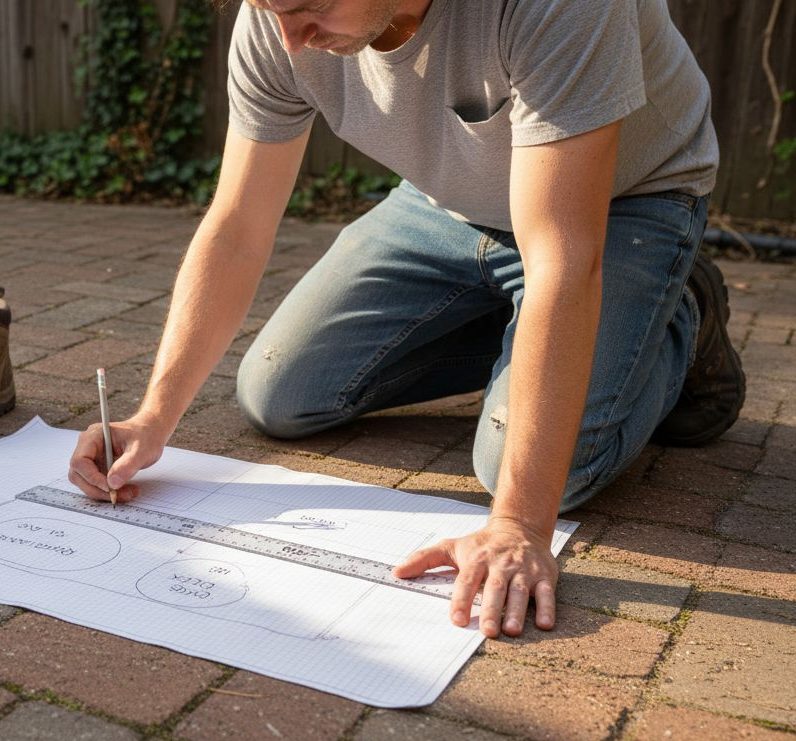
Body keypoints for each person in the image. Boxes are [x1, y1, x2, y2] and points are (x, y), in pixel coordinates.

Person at [67, 0, 745, 640]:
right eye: (273, 9)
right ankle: (531, 337)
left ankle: (680, 316)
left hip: (623, 204)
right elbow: (238, 227)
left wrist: (517, 524)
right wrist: (152, 419)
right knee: (280, 394)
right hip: (444, 205)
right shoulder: (277, 19)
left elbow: (564, 264)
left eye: (311, 7)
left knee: (544, 471)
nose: (291, 38)